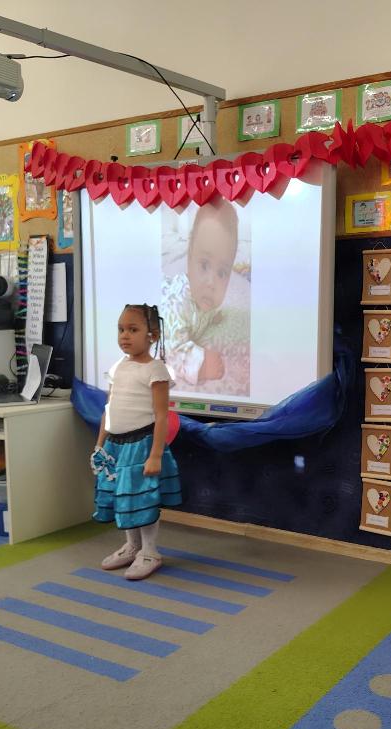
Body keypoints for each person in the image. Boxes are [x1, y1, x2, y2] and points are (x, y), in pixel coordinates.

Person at [91, 304, 182, 580]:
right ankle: (132, 546)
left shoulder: (156, 370)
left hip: (141, 445)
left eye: (133, 329)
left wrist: (155, 455)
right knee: (124, 497)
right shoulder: (118, 367)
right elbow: (109, 408)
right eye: (121, 329)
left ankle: (150, 551)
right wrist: (99, 444)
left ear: (152, 335)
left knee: (142, 499)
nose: (124, 335)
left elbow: (162, 416)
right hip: (115, 446)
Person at [162, 201, 239, 386]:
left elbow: (201, 315)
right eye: (204, 265)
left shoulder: (206, 299)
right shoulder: (178, 304)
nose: (211, 282)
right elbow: (171, 350)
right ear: (189, 259)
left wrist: (211, 318)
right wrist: (201, 363)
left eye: (222, 273)